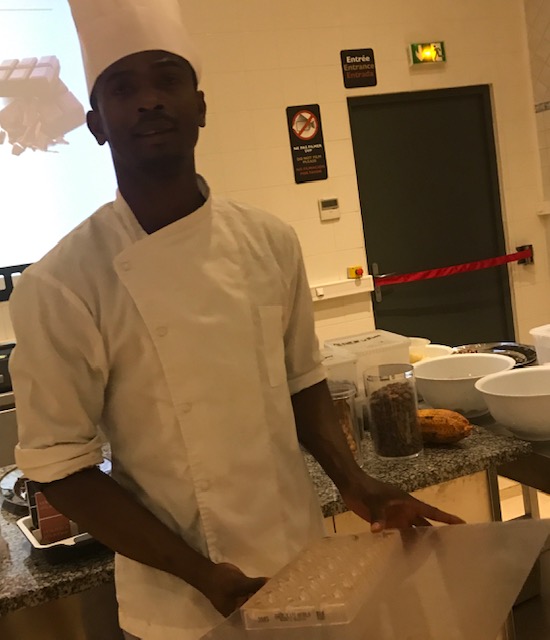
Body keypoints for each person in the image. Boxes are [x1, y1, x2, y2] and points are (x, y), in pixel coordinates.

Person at [9, 2, 463, 639]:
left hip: (304, 569)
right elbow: (61, 470)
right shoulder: (62, 282)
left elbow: (301, 380)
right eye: (123, 88)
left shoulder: (269, 241)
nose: (148, 100)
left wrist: (358, 484)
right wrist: (203, 575)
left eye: (167, 79)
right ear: (96, 125)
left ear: (200, 106)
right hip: (178, 605)